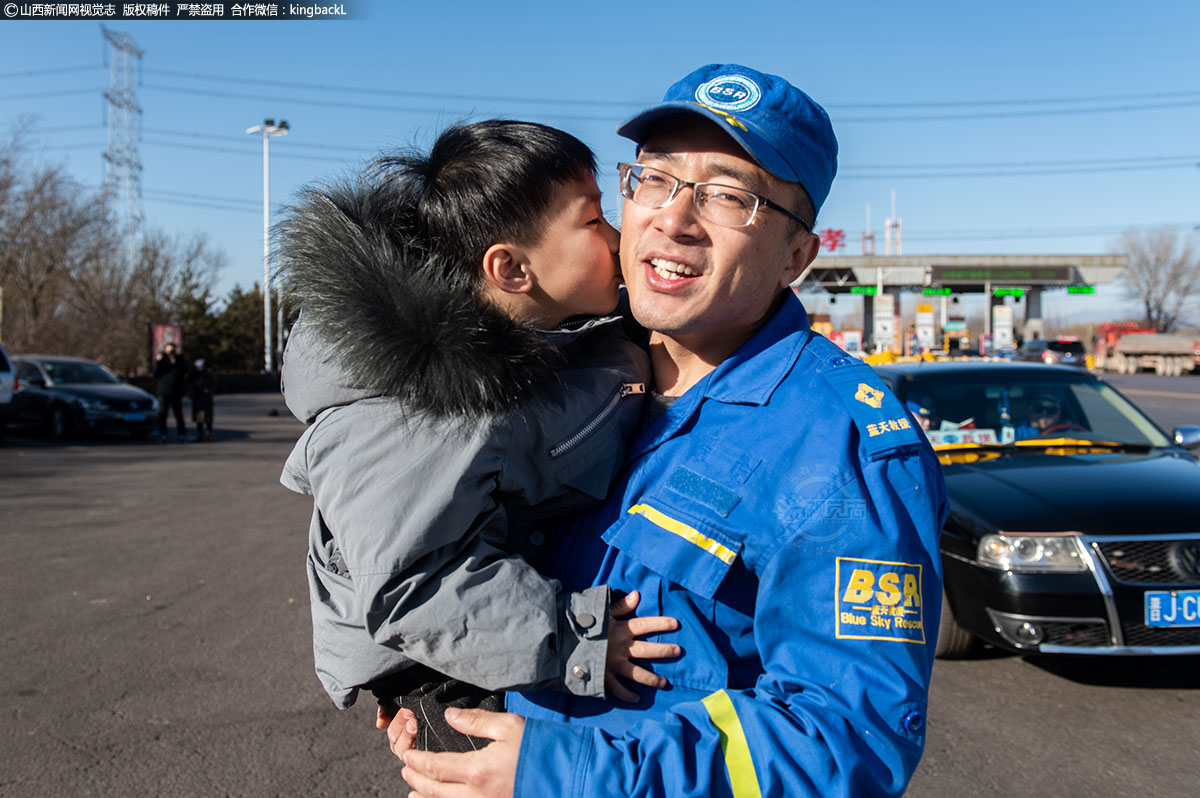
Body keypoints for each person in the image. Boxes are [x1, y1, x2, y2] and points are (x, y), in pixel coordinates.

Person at [395, 64, 948, 798]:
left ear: (795, 257)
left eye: (729, 196)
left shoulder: (841, 449)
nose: (673, 218)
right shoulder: (558, 372)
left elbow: (847, 741)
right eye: (654, 179)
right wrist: (433, 678)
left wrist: (560, 771)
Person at [276, 121, 679, 756]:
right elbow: (418, 583)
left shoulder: (548, 334)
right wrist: (580, 640)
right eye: (592, 219)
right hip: (449, 681)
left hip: (480, 649)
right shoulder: (417, 410)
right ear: (511, 268)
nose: (616, 235)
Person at [153, 342, 188, 443]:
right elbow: (156, 373)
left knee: (178, 414)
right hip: (163, 391)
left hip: (176, 391)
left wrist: (175, 361)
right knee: (162, 414)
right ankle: (163, 434)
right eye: (168, 351)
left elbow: (185, 370)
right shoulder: (162, 360)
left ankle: (182, 434)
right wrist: (159, 361)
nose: (170, 353)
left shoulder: (180, 359)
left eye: (172, 350)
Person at [188, 358, 215, 442]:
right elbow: (189, 380)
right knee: (199, 416)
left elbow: (213, 382)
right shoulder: (194, 373)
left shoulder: (208, 372)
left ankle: (208, 433)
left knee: (208, 417)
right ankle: (200, 434)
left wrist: (203, 383)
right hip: (197, 396)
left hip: (206, 396)